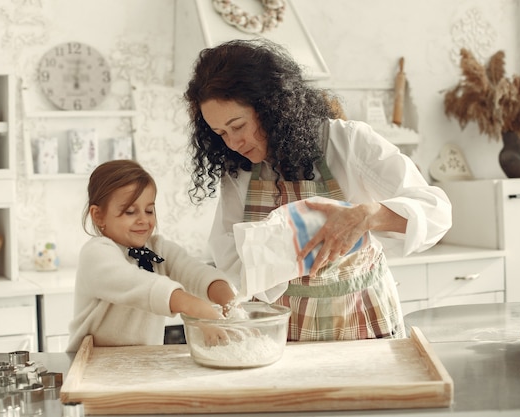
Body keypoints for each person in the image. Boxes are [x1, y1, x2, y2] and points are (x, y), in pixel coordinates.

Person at [184, 39, 452, 342]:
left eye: (238, 126)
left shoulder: (348, 143)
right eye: (220, 133)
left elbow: (436, 213)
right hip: (280, 327)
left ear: (271, 107)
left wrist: (368, 215)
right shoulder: (239, 168)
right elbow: (230, 253)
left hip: (358, 316)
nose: (232, 143)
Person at [66, 160, 236, 352]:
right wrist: (196, 307)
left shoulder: (159, 249)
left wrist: (230, 304)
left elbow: (194, 272)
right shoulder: (96, 253)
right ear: (98, 216)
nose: (143, 220)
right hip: (91, 365)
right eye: (130, 211)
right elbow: (134, 282)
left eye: (149, 210)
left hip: (140, 363)